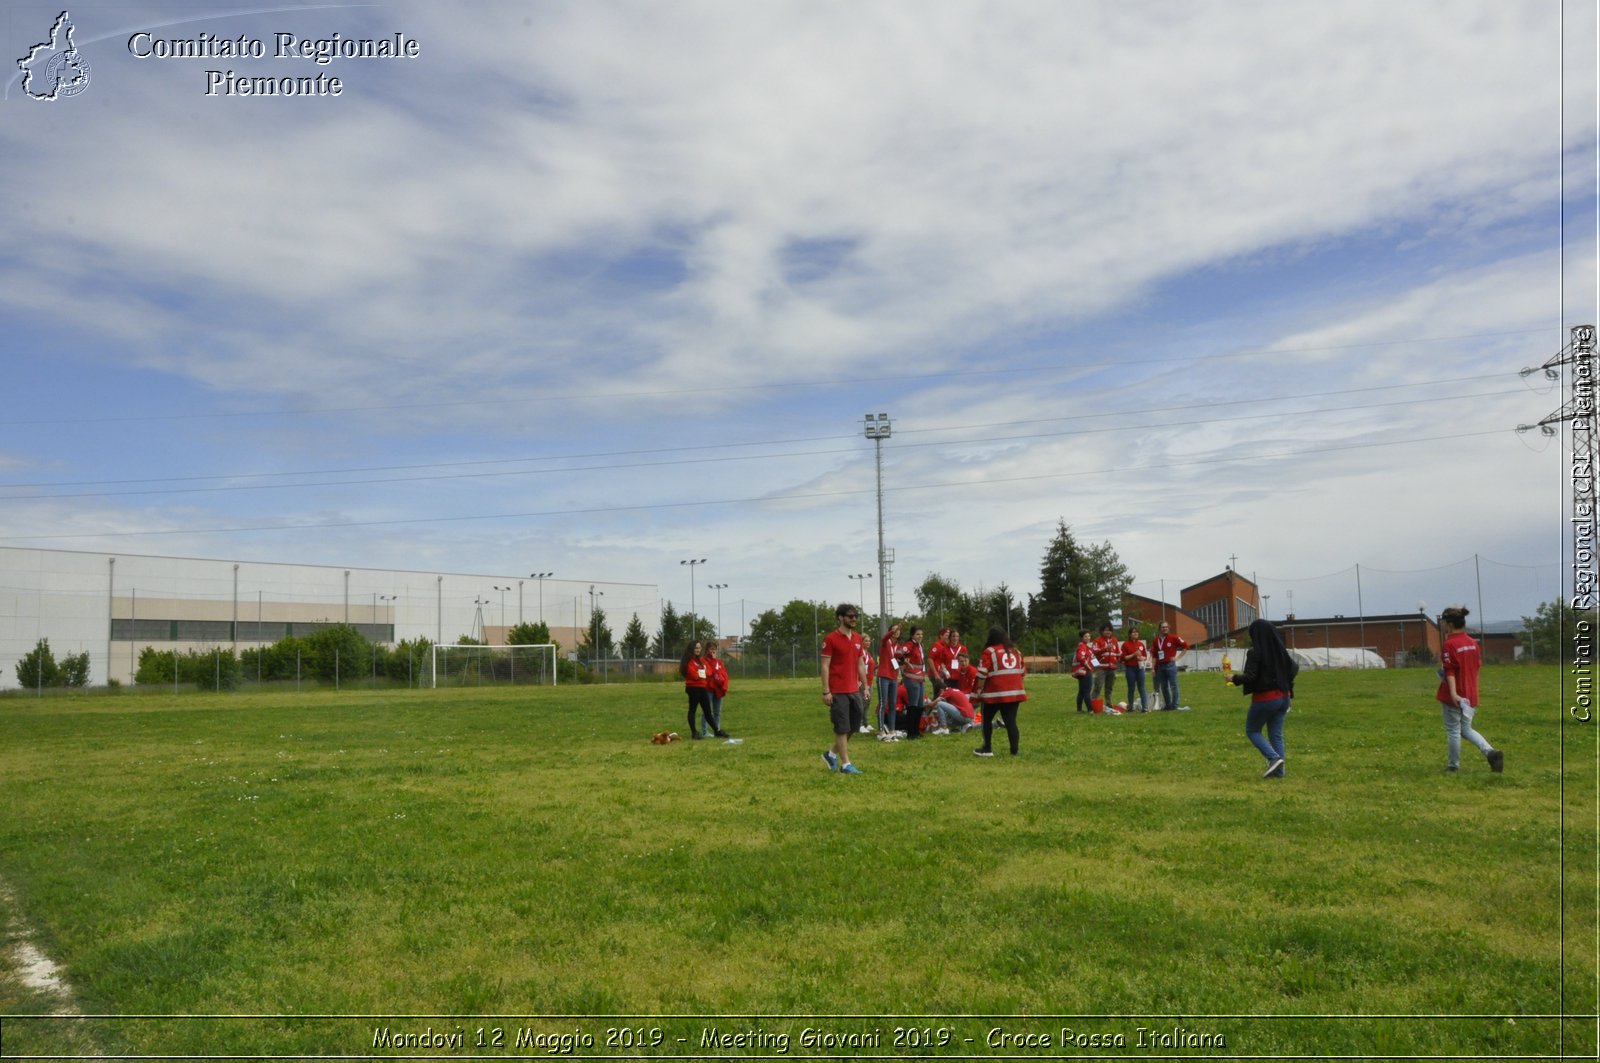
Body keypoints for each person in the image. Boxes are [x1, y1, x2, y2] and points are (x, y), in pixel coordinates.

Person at [1437, 606, 1502, 773]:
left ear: (1450, 624)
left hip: (1456, 695)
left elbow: (1450, 670)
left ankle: (1453, 766)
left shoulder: (1449, 644)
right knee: (1465, 729)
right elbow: (1476, 666)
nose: (1443, 625)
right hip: (1470, 694)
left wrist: (1453, 693)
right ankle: (1490, 752)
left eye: (1444, 622)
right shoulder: (1473, 643)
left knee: (1453, 730)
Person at [1229, 618, 1298, 778]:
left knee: (1252, 730)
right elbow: (1293, 670)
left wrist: (1233, 679)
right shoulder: (1281, 651)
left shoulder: (1256, 652)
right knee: (1276, 734)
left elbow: (1251, 677)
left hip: (1265, 699)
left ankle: (1273, 758)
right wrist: (1289, 693)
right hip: (1284, 697)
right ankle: (1279, 772)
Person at [819, 603, 868, 775]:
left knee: (853, 727)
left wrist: (866, 686)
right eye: (850, 616)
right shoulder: (830, 639)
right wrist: (826, 691)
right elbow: (825, 666)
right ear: (840, 617)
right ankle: (846, 764)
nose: (854, 619)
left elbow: (860, 664)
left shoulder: (857, 639)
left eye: (856, 616)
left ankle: (831, 754)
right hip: (838, 691)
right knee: (842, 727)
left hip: (854, 690)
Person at [973, 626, 1028, 756]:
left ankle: (987, 749)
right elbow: (1022, 672)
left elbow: (982, 673)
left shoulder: (989, 652)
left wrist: (979, 688)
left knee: (986, 719)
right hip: (1014, 693)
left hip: (994, 693)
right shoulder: (1016, 652)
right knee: (1011, 721)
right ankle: (1014, 751)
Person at [898, 626, 928, 740]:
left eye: (921, 634)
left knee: (920, 705)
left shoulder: (920, 645)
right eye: (917, 634)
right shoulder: (910, 644)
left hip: (920, 678)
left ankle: (916, 730)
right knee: (913, 705)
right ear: (912, 635)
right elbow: (899, 653)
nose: (920, 636)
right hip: (911, 678)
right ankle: (911, 732)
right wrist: (905, 662)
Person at [1151, 620, 1188, 711]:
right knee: (1164, 687)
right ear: (1160, 629)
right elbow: (1154, 656)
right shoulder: (1156, 640)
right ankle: (1168, 705)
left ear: (1169, 628)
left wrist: (1177, 658)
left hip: (1170, 665)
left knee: (1173, 686)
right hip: (1160, 666)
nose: (1165, 629)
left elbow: (1186, 646)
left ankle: (1174, 705)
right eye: (1163, 627)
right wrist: (1153, 668)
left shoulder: (1174, 637)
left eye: (1166, 627)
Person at [876, 622, 905, 736]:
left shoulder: (898, 646)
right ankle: (880, 729)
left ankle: (892, 730)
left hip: (894, 677)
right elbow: (884, 637)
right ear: (890, 631)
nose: (897, 631)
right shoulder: (885, 642)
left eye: (898, 630)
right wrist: (892, 630)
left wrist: (902, 661)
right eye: (894, 630)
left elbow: (900, 659)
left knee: (893, 704)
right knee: (883, 703)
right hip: (883, 676)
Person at [680, 640, 713, 739]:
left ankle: (717, 730)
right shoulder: (689, 661)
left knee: (707, 711)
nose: (698, 650)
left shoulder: (702, 660)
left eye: (699, 648)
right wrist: (702, 673)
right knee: (692, 710)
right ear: (691, 649)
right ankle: (694, 732)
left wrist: (702, 673)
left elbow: (709, 672)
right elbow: (694, 675)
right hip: (693, 688)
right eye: (696, 648)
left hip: (702, 688)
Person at [1121, 623, 1151, 712]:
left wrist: (1142, 658)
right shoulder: (1125, 644)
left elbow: (1145, 656)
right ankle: (1130, 707)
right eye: (1133, 632)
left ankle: (1145, 707)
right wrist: (1134, 654)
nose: (1135, 634)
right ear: (1130, 634)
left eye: (1137, 632)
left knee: (1142, 687)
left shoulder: (1141, 644)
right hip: (1130, 669)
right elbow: (1124, 658)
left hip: (1140, 668)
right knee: (1131, 688)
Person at [705, 642, 731, 738]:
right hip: (709, 688)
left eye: (714, 649)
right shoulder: (705, 660)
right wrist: (714, 660)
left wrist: (724, 686)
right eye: (711, 649)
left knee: (717, 712)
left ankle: (717, 730)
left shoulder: (719, 662)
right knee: (707, 711)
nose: (713, 651)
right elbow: (710, 672)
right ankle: (705, 731)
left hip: (718, 689)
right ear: (707, 650)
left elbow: (723, 673)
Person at [1092, 624, 1119, 707]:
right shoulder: (1097, 640)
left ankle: (1109, 703)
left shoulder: (1114, 640)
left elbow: (1117, 653)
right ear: (1102, 631)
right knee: (1098, 686)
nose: (1108, 632)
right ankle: (1092, 704)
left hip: (1112, 668)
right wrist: (1106, 648)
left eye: (1110, 630)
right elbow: (1094, 652)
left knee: (1109, 687)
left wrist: (1116, 662)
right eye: (1106, 630)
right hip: (1101, 668)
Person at [1069, 629, 1096, 713]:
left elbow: (1092, 658)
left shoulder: (1087, 647)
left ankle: (1079, 710)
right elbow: (1081, 658)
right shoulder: (1082, 646)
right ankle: (1090, 710)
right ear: (1081, 638)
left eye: (1089, 636)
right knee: (1087, 691)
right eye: (1085, 636)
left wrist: (1098, 666)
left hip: (1082, 672)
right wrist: (1089, 667)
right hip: (1085, 672)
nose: (1088, 638)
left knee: (1081, 691)